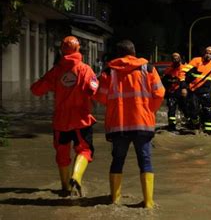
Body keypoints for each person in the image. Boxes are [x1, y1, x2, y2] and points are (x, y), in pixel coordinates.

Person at [94, 40, 165, 208]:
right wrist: (150, 111)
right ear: (134, 52)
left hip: (118, 125)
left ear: (117, 54)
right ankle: (148, 202)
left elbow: (100, 97)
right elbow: (160, 93)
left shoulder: (109, 71)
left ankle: (115, 200)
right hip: (142, 123)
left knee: (117, 160)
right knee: (145, 161)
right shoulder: (148, 69)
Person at [30, 36, 98, 197]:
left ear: (62, 50)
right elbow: (94, 89)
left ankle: (65, 188)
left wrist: (53, 84)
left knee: (62, 153)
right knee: (85, 150)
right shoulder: (85, 69)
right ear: (78, 49)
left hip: (61, 121)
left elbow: (36, 90)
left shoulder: (56, 71)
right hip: (82, 120)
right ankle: (77, 176)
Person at [180, 46, 211, 134]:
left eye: (210, 54)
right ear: (204, 53)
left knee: (208, 112)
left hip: (206, 92)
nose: (208, 55)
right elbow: (183, 72)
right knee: (193, 111)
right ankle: (196, 125)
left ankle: (208, 132)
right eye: (207, 53)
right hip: (193, 91)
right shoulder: (196, 61)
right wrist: (183, 87)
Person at [162, 52, 188, 131]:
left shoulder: (184, 68)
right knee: (171, 110)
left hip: (181, 92)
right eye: (174, 58)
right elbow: (164, 81)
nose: (175, 59)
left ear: (180, 58)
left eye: (177, 58)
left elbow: (187, 80)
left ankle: (189, 123)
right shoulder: (168, 69)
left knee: (185, 109)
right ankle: (172, 126)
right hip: (172, 92)